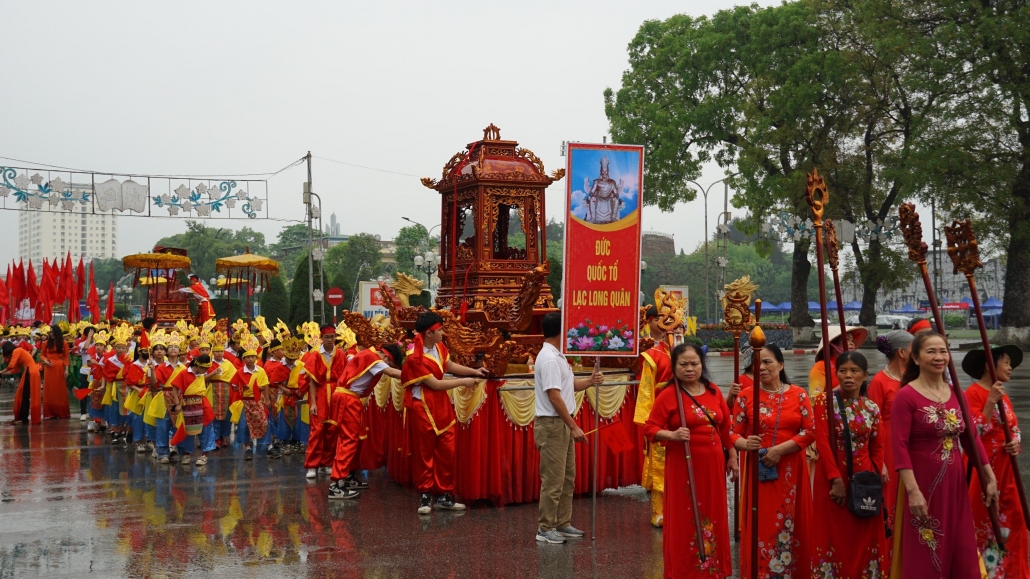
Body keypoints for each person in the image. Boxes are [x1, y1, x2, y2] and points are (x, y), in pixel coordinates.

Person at [891, 331, 999, 579]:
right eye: (931, 351)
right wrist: (912, 491)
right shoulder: (906, 396)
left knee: (963, 552)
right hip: (922, 486)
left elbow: (971, 440)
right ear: (916, 359)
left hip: (955, 486)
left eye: (943, 351)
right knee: (927, 553)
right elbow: (899, 447)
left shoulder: (956, 393)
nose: (939, 357)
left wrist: (989, 477)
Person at [644, 343, 736, 576]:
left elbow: (725, 427)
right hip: (683, 466)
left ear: (702, 365)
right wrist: (672, 435)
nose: (689, 369)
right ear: (674, 367)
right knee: (685, 516)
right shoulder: (667, 395)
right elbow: (650, 429)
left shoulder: (713, 390)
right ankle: (686, 571)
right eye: (683, 364)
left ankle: (714, 569)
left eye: (694, 363)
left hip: (713, 465)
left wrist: (732, 456)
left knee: (714, 513)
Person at [730, 344, 815, 579]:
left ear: (781, 364)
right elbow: (730, 433)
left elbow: (811, 431)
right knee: (764, 523)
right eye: (757, 363)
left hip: (791, 470)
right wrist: (745, 444)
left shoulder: (798, 394)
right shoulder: (746, 396)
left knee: (792, 522)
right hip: (760, 469)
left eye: (767, 361)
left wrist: (779, 450)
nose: (762, 367)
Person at [401, 311, 489, 515]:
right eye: (440, 330)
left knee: (446, 453)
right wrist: (464, 381)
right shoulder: (414, 358)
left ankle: (444, 495)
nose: (443, 333)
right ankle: (425, 496)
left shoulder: (440, 347)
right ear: (429, 333)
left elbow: (448, 365)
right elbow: (435, 384)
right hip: (423, 406)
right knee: (425, 454)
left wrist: (474, 371)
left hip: (441, 406)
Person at [809, 351, 888, 578]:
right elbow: (822, 443)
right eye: (842, 371)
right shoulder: (825, 402)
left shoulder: (871, 408)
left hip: (863, 480)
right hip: (832, 477)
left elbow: (878, 446)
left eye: (854, 371)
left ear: (865, 375)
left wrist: (873, 477)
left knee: (863, 534)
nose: (848, 376)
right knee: (833, 534)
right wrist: (835, 480)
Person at [533, 312, 604, 544]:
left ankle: (562, 523)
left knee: (567, 478)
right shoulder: (550, 358)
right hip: (553, 424)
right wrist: (573, 426)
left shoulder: (559, 356)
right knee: (553, 480)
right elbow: (554, 397)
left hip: (562, 423)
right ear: (560, 332)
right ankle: (545, 528)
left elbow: (569, 386)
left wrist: (591, 381)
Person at [962, 344, 1027, 578]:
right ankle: (985, 572)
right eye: (1006, 362)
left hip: (1007, 468)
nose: (1010, 368)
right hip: (984, 467)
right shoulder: (973, 394)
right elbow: (970, 434)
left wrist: (1015, 442)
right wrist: (990, 402)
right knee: (985, 519)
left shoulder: (1003, 393)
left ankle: (1014, 572)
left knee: (1015, 520)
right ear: (990, 366)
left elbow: (1013, 427)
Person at [327, 342, 404, 500]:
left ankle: (345, 478)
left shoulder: (367, 354)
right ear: (387, 357)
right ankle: (336, 484)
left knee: (350, 440)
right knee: (348, 441)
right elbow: (391, 372)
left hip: (347, 397)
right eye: (390, 362)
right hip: (348, 399)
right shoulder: (374, 359)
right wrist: (420, 376)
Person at [868, 329, 913, 544]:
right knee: (891, 497)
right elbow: (872, 423)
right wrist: (881, 462)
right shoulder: (880, 381)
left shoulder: (912, 378)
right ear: (902, 353)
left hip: (910, 443)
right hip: (888, 446)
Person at [634, 304, 673, 527]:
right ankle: (658, 511)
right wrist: (650, 422)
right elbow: (647, 389)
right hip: (662, 416)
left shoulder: (684, 353)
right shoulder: (653, 355)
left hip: (683, 415)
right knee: (659, 465)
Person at [303, 325, 348, 479]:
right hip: (320, 393)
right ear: (321, 338)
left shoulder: (341, 354)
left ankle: (327, 463)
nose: (330, 340)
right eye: (327, 337)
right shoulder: (315, 355)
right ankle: (312, 465)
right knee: (317, 430)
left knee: (332, 430)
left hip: (335, 393)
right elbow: (312, 382)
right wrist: (313, 403)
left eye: (332, 336)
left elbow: (344, 379)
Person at [172, 354, 217, 466]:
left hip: (202, 404)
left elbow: (203, 380)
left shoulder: (201, 375)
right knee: (189, 431)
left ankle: (204, 455)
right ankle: (187, 454)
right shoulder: (184, 373)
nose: (206, 371)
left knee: (205, 430)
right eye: (204, 368)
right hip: (188, 405)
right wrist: (177, 404)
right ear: (197, 366)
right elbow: (174, 387)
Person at [231, 336, 271, 461]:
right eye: (248, 357)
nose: (251, 359)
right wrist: (242, 388)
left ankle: (268, 445)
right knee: (244, 425)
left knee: (263, 422)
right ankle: (247, 447)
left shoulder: (260, 371)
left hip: (258, 401)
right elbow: (234, 387)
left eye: (253, 357)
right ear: (244, 359)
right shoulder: (239, 372)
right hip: (245, 402)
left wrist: (267, 399)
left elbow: (265, 386)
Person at [808, 326, 868, 397]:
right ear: (833, 346)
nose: (851, 343)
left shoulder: (857, 364)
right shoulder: (821, 366)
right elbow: (814, 400)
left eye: (852, 340)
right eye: (847, 340)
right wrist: (844, 387)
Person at [3, 341, 41, 424]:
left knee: (23, 396)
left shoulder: (17, 351)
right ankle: (23, 418)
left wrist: (2, 371)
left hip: (30, 372)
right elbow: (15, 370)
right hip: (31, 372)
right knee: (23, 395)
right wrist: (2, 373)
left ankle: (23, 419)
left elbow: (11, 366)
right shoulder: (18, 352)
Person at [40, 324, 71, 419]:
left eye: (53, 332)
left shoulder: (64, 343)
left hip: (59, 367)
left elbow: (66, 357)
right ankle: (50, 413)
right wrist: (45, 360)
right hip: (49, 367)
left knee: (59, 390)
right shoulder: (46, 343)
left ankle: (61, 412)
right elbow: (42, 355)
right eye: (50, 332)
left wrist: (66, 370)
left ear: (57, 333)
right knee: (50, 389)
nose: (51, 334)